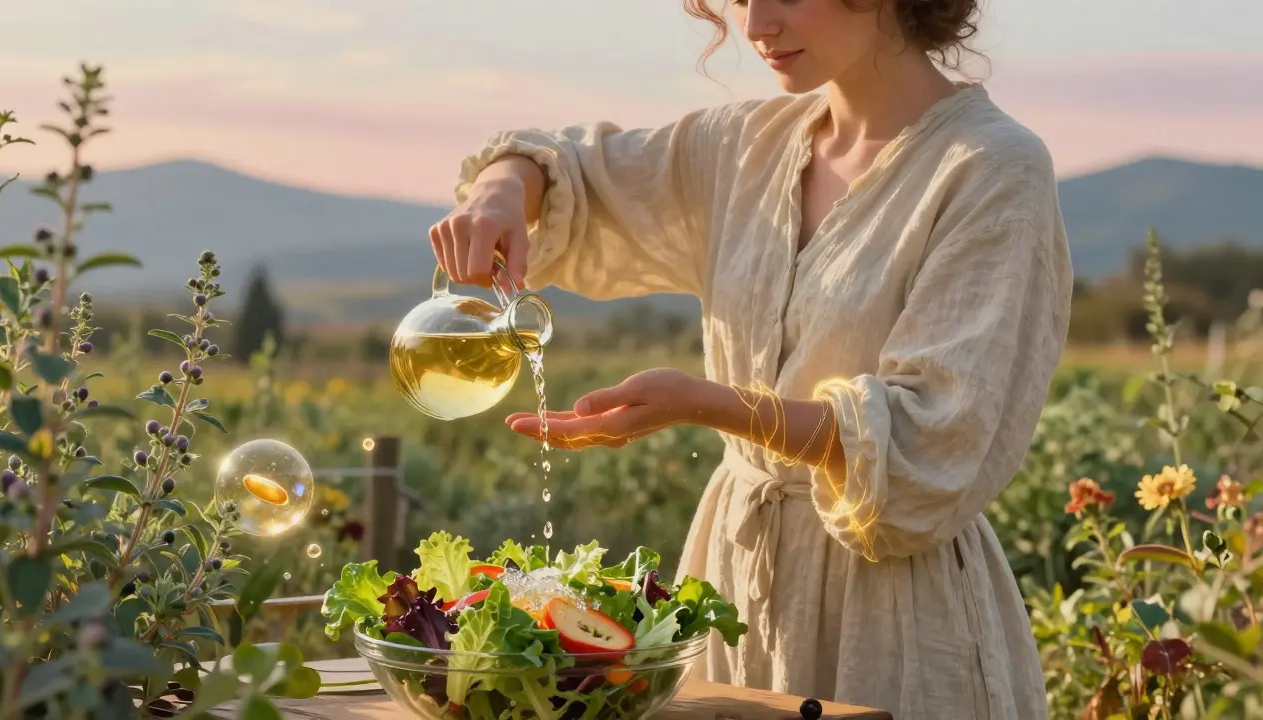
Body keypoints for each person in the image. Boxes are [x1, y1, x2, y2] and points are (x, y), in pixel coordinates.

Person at [429, 1, 1069, 718]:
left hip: (895, 613)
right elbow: (572, 168)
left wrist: (710, 406)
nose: (757, 24)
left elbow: (931, 438)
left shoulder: (991, 168)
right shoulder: (741, 147)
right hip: (733, 588)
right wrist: (502, 187)